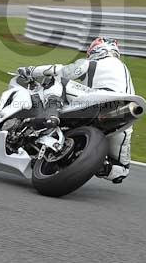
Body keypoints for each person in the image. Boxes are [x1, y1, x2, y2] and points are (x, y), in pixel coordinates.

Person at [18, 37, 134, 184]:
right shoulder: (125, 70)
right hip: (123, 117)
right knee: (121, 170)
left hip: (98, 100)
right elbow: (121, 174)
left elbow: (61, 71)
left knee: (56, 79)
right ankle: (101, 167)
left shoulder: (93, 62)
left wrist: (31, 70)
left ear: (95, 50)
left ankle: (51, 113)